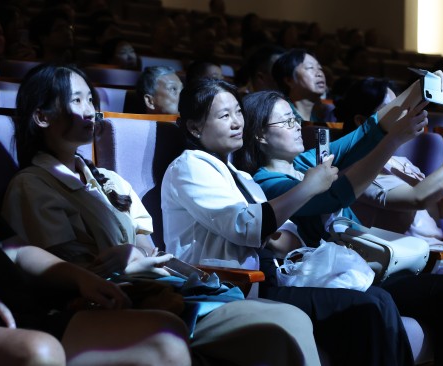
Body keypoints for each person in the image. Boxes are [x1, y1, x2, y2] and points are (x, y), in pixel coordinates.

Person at [1, 63, 322, 366]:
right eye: (76, 100)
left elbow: (144, 240)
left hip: (160, 286)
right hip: (114, 301)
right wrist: (130, 261)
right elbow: (57, 269)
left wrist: (136, 255)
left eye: (90, 99)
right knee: (281, 322)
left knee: (290, 319)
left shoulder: (110, 179)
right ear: (42, 117)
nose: (89, 110)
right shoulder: (32, 185)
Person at [162, 77, 425, 366]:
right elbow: (245, 227)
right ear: (194, 127)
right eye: (225, 116)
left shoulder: (243, 177)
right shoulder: (190, 165)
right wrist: (307, 189)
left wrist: (275, 232)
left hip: (270, 278)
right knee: (365, 307)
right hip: (228, 287)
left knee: (375, 300)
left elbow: (286, 238)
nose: (237, 122)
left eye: (238, 112)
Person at [237, 84, 443, 365]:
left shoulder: (305, 164)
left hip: (372, 270)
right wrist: (392, 141)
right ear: (260, 135)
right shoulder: (266, 183)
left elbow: (368, 131)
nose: (296, 126)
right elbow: (334, 196)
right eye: (286, 121)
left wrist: (421, 87)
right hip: (349, 279)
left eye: (296, 118)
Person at [335, 76, 443, 357]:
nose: (411, 112)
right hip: (407, 271)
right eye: (395, 108)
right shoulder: (359, 168)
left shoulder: (402, 163)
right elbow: (419, 197)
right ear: (360, 120)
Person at [0, 170, 191, 365]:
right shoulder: (31, 182)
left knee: (165, 337)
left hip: (19, 309)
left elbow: (17, 250)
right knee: (41, 351)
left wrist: (83, 278)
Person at [272, 48, 336, 124]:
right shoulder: (280, 117)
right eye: (310, 68)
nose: (319, 74)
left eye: (320, 68)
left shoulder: (319, 120)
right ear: (289, 80)